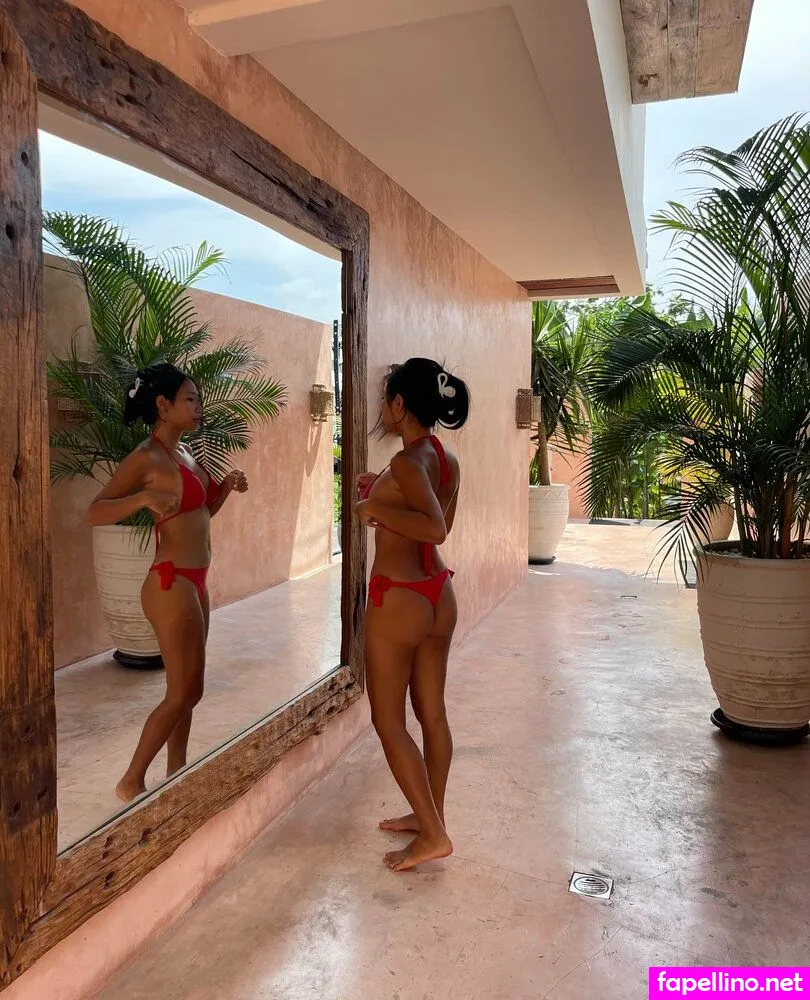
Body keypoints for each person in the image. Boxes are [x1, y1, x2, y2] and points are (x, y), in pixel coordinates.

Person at [88, 363, 248, 802]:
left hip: (196, 580)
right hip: (170, 582)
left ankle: (177, 771)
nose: (199, 407)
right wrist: (141, 497)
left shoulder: (186, 454)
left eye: (199, 399)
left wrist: (225, 488)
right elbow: (95, 511)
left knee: (186, 689)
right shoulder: (147, 457)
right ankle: (130, 781)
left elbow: (200, 513)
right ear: (163, 405)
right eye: (190, 399)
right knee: (186, 690)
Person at [354, 357, 470, 872]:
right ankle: (431, 819)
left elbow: (434, 527)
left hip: (399, 597)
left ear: (400, 405)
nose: (383, 407)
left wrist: (372, 508)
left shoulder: (405, 463)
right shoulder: (444, 459)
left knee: (388, 721)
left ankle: (433, 834)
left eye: (386, 399)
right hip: (437, 593)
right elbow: (433, 515)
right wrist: (379, 490)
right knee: (432, 714)